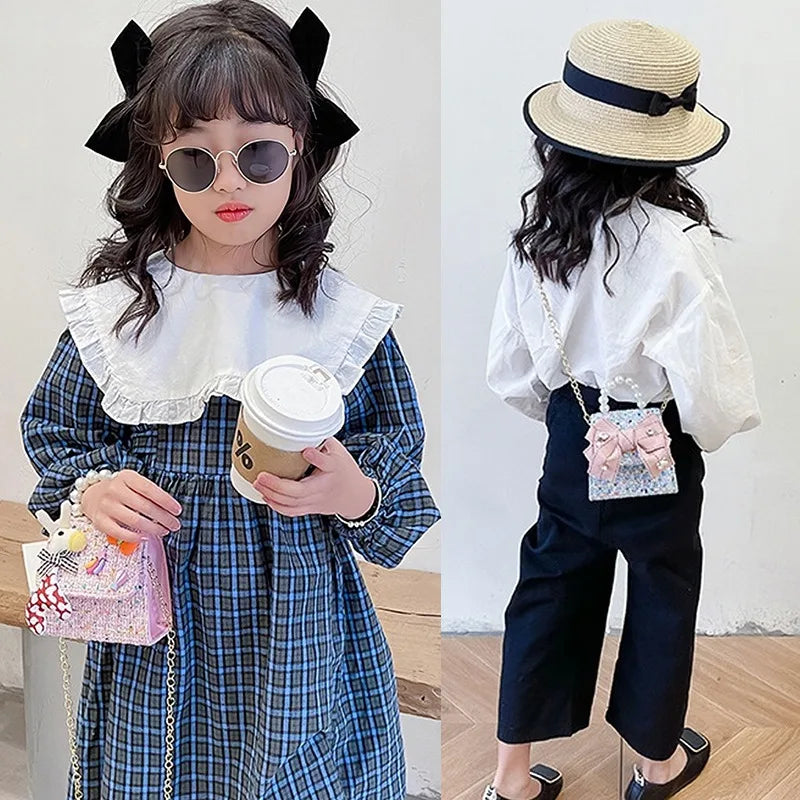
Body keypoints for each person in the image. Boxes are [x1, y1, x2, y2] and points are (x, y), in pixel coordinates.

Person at [19, 3, 440, 798]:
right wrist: (95, 491)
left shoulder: (342, 323)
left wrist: (351, 490)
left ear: (302, 146)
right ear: (157, 161)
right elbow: (58, 439)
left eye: (258, 152)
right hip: (153, 631)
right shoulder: (117, 316)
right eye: (194, 159)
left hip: (299, 633)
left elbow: (395, 486)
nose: (229, 182)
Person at [483, 20, 760, 800]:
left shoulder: (538, 239)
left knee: (547, 586)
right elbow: (710, 383)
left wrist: (571, 421)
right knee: (662, 589)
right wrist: (695, 433)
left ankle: (510, 778)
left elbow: (512, 369)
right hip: (654, 437)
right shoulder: (678, 243)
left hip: (574, 430)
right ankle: (655, 765)